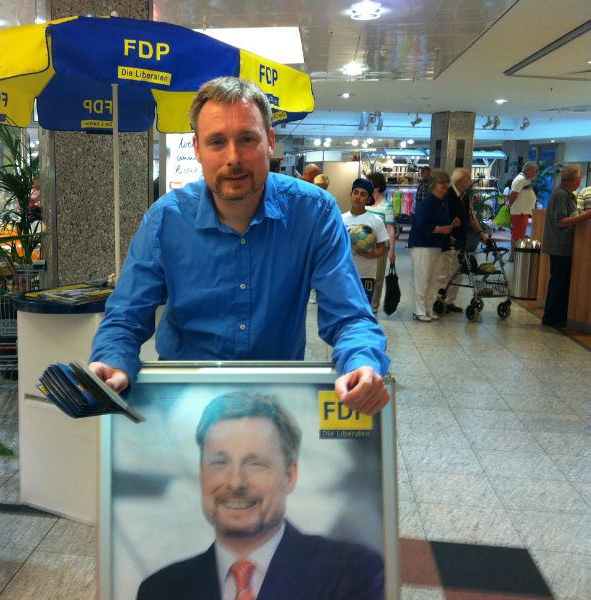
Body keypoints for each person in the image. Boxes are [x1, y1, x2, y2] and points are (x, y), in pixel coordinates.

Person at [89, 77, 390, 417]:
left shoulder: (315, 213)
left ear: (270, 142)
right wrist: (111, 361)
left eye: (247, 139)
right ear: (198, 149)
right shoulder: (165, 220)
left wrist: (362, 360)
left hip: (276, 401)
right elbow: (126, 318)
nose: (233, 158)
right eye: (217, 142)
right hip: (185, 403)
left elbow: (349, 316)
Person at [137, 392, 385, 600]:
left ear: (290, 476)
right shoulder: (159, 590)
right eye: (220, 462)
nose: (235, 483)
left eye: (256, 463)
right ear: (202, 473)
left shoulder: (352, 571)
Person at [541, 164, 590, 329]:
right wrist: (584, 217)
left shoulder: (565, 193)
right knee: (558, 283)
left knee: (559, 282)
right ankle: (552, 318)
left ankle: (557, 317)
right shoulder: (562, 195)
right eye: (580, 177)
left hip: (561, 245)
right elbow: (560, 221)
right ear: (575, 179)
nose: (580, 180)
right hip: (560, 245)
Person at [408, 169, 459, 322]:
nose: (444, 185)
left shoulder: (442, 203)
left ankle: (429, 308)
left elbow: (440, 224)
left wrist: (450, 229)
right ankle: (419, 310)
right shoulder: (427, 203)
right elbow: (422, 226)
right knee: (423, 279)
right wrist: (444, 230)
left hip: (437, 244)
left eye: (446, 182)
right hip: (423, 245)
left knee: (435, 280)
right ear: (433, 185)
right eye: (441, 182)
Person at [439, 168, 488, 313]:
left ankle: (449, 301)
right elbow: (441, 217)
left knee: (458, 273)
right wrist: (449, 236)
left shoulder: (465, 196)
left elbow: (471, 217)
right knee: (446, 272)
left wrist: (481, 233)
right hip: (449, 240)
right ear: (460, 180)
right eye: (468, 178)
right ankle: (439, 300)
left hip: (461, 240)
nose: (470, 181)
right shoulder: (448, 195)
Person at [342, 178, 388, 306]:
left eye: (363, 194)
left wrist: (367, 254)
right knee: (346, 310)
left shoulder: (375, 221)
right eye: (355, 193)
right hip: (345, 273)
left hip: (366, 274)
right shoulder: (341, 219)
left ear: (368, 199)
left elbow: (382, 249)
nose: (358, 197)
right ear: (350, 195)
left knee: (362, 310)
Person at [365, 172, 396, 314]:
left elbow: (390, 229)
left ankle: (374, 304)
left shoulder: (387, 207)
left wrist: (392, 251)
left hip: (380, 247)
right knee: (363, 275)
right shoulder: (365, 203)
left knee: (377, 278)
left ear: (376, 187)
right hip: (364, 247)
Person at [507, 161, 538, 261]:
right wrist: (510, 205)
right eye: (532, 170)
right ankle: (514, 256)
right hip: (519, 212)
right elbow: (513, 194)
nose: (533, 173)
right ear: (526, 169)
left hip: (522, 212)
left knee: (519, 235)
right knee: (518, 236)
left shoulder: (524, 179)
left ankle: (515, 255)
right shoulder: (520, 180)